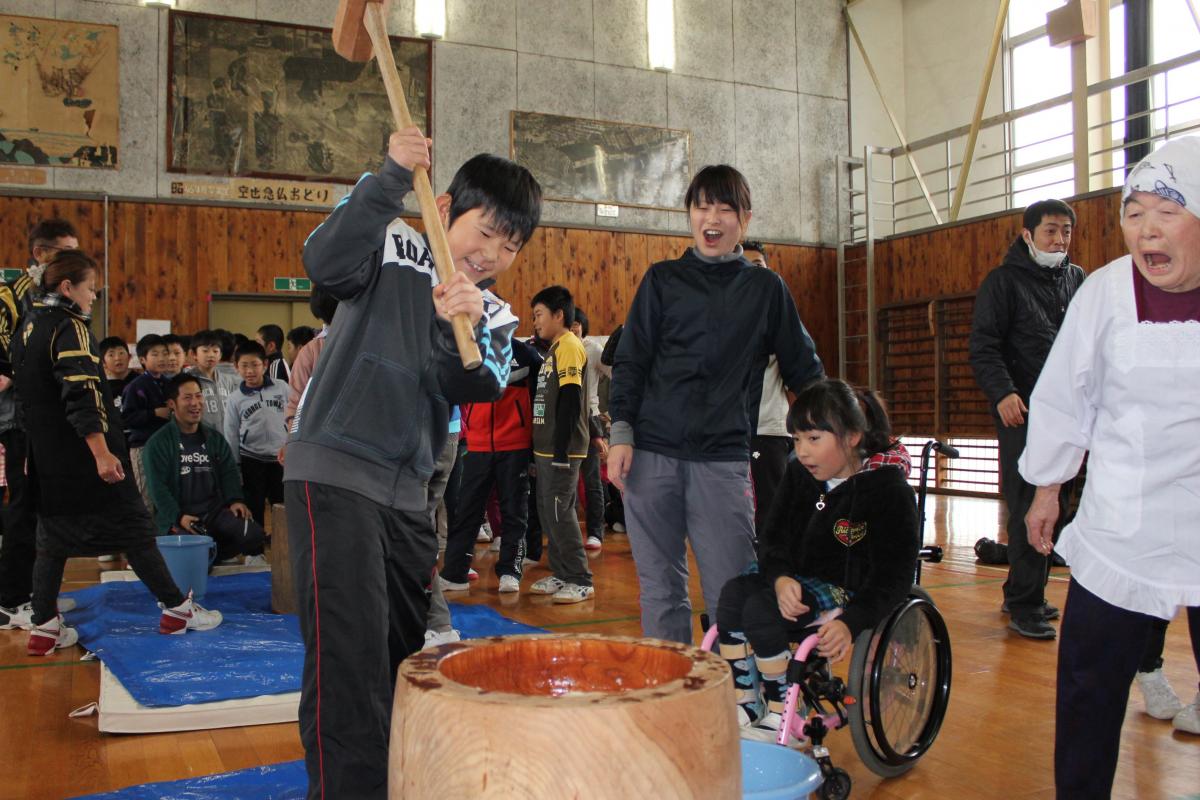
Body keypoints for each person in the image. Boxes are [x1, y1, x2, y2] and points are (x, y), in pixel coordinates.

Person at [284, 129, 541, 799]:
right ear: (446, 205)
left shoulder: (489, 310)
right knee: (347, 665)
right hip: (335, 474)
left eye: (510, 248)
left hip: (407, 499)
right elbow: (324, 262)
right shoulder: (394, 241)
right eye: (484, 233)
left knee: (400, 662)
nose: (491, 256)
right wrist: (392, 175)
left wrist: (452, 323)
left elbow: (474, 385)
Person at [1020, 137, 1200, 798]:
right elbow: (1068, 393)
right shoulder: (1104, 292)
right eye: (1134, 213)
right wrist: (1047, 488)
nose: (1146, 229)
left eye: (1168, 211)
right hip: (1124, 518)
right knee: (1089, 690)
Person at [607, 164, 824, 644]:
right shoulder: (662, 280)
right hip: (650, 456)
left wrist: (831, 431)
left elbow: (804, 369)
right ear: (690, 215)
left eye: (726, 209)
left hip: (723, 459)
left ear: (744, 221)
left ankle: (743, 696)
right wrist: (621, 433)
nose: (713, 217)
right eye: (703, 206)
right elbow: (631, 361)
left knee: (732, 589)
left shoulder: (766, 290)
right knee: (660, 589)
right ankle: (671, 688)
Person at [10, 250, 221, 655]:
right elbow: (81, 394)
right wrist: (102, 453)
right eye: (91, 289)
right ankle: (178, 608)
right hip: (84, 454)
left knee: (51, 541)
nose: (94, 297)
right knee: (136, 530)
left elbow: (26, 399)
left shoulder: (29, 325)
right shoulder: (69, 328)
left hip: (44, 456)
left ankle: (44, 625)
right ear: (67, 287)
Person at [717, 379, 917, 737]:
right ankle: (748, 700)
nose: (803, 451)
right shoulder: (798, 473)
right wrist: (780, 577)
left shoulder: (888, 490)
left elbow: (895, 576)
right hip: (794, 577)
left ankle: (783, 709)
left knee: (761, 612)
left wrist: (851, 623)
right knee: (732, 596)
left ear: (852, 436)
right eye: (796, 440)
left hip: (842, 589)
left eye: (813, 439)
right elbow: (773, 535)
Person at [969, 198, 1085, 640]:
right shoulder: (1003, 282)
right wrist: (1003, 392)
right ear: (1028, 234)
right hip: (1021, 413)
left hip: (1067, 413)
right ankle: (1025, 603)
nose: (1059, 239)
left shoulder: (1077, 280)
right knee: (1026, 504)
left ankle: (1022, 588)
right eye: (1051, 230)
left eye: (1066, 232)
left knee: (1058, 500)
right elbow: (983, 345)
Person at [0, 220, 80, 629]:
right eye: (64, 252)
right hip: (18, 421)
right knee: (23, 507)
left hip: (49, 419)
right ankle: (11, 598)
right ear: (40, 254)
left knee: (46, 508)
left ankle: (38, 593)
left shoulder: (53, 298)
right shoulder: (10, 298)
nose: (72, 261)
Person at [440, 336, 543, 593]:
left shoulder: (527, 356)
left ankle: (510, 570)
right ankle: (455, 572)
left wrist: (534, 450)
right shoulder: (469, 350)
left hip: (515, 444)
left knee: (514, 511)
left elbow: (538, 400)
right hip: (477, 444)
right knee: (466, 510)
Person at [144, 374, 267, 564]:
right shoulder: (158, 443)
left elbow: (229, 473)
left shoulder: (214, 437)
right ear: (171, 404)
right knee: (191, 554)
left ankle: (214, 554)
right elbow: (157, 489)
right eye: (187, 398)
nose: (195, 403)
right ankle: (204, 554)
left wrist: (235, 500)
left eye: (199, 396)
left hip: (214, 513)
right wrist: (178, 517)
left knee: (253, 534)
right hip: (183, 518)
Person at [528, 285, 594, 604]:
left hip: (562, 449)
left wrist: (560, 450)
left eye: (539, 315)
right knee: (548, 511)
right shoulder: (554, 348)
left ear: (559, 315)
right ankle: (561, 572)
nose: (535, 322)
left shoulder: (569, 345)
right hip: (545, 448)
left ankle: (580, 578)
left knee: (560, 511)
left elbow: (569, 400)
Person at [742, 241, 795, 533]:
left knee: (770, 514)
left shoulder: (778, 318)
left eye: (758, 266)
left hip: (766, 432)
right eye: (744, 265)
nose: (751, 272)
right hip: (728, 434)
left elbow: (799, 374)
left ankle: (772, 573)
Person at [223, 341, 287, 527]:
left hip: (280, 457)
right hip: (251, 458)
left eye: (255, 365)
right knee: (254, 505)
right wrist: (235, 465)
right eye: (244, 366)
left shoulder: (282, 387)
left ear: (265, 365)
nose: (250, 371)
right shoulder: (235, 398)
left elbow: (294, 416)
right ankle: (255, 552)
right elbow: (231, 433)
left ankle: (281, 548)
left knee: (281, 504)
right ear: (236, 367)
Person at [570, 306, 607, 551]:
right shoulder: (556, 348)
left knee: (592, 480)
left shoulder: (593, 349)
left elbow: (616, 373)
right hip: (566, 421)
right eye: (570, 324)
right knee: (567, 482)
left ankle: (595, 532)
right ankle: (570, 533)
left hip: (590, 418)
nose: (573, 328)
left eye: (577, 324)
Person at [121, 334, 172, 511]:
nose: (162, 358)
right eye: (155, 354)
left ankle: (165, 535)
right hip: (143, 445)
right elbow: (127, 418)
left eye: (165, 353)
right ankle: (145, 537)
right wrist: (154, 413)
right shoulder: (136, 385)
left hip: (168, 445)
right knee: (146, 496)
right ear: (143, 359)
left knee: (166, 493)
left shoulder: (169, 383)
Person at [186, 330, 231, 432]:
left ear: (220, 355)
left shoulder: (227, 380)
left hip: (225, 436)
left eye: (215, 351)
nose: (211, 355)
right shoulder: (189, 379)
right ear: (194, 354)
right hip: (201, 436)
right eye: (205, 351)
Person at [98, 337, 137, 412]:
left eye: (121, 353)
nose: (117, 358)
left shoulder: (140, 381)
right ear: (103, 363)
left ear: (129, 357)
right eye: (111, 355)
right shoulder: (100, 387)